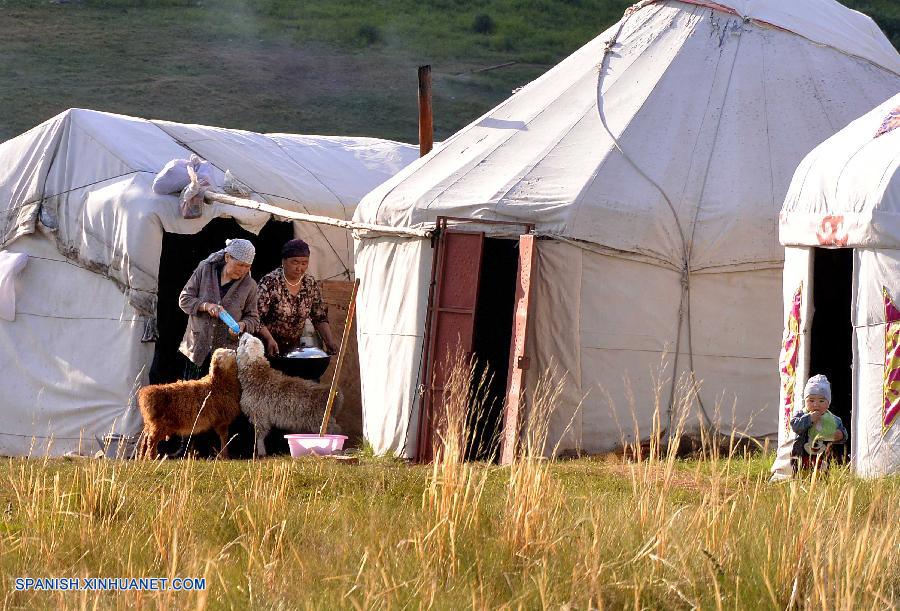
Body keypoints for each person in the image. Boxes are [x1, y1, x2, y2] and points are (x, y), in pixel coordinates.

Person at [178, 238, 260, 379]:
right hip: (197, 351)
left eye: (247, 266)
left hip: (225, 358)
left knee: (219, 399)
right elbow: (184, 300)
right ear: (227, 257)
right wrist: (205, 306)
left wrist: (242, 325)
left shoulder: (250, 285)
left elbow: (254, 319)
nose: (243, 270)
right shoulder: (205, 269)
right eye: (240, 264)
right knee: (191, 397)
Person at [256, 238, 338, 357]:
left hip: (293, 350)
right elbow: (256, 318)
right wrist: (269, 339)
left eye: (304, 263)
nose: (299, 268)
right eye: (295, 262)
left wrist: (329, 342)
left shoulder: (309, 284)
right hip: (267, 347)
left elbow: (319, 317)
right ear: (284, 261)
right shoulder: (270, 283)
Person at [790, 374, 847, 473]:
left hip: (823, 454)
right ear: (805, 401)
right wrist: (809, 418)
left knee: (822, 472)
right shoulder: (802, 414)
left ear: (828, 403)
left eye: (821, 401)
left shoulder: (834, 419)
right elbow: (795, 426)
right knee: (801, 471)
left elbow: (844, 434)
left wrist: (841, 435)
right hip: (802, 454)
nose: (816, 404)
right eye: (811, 400)